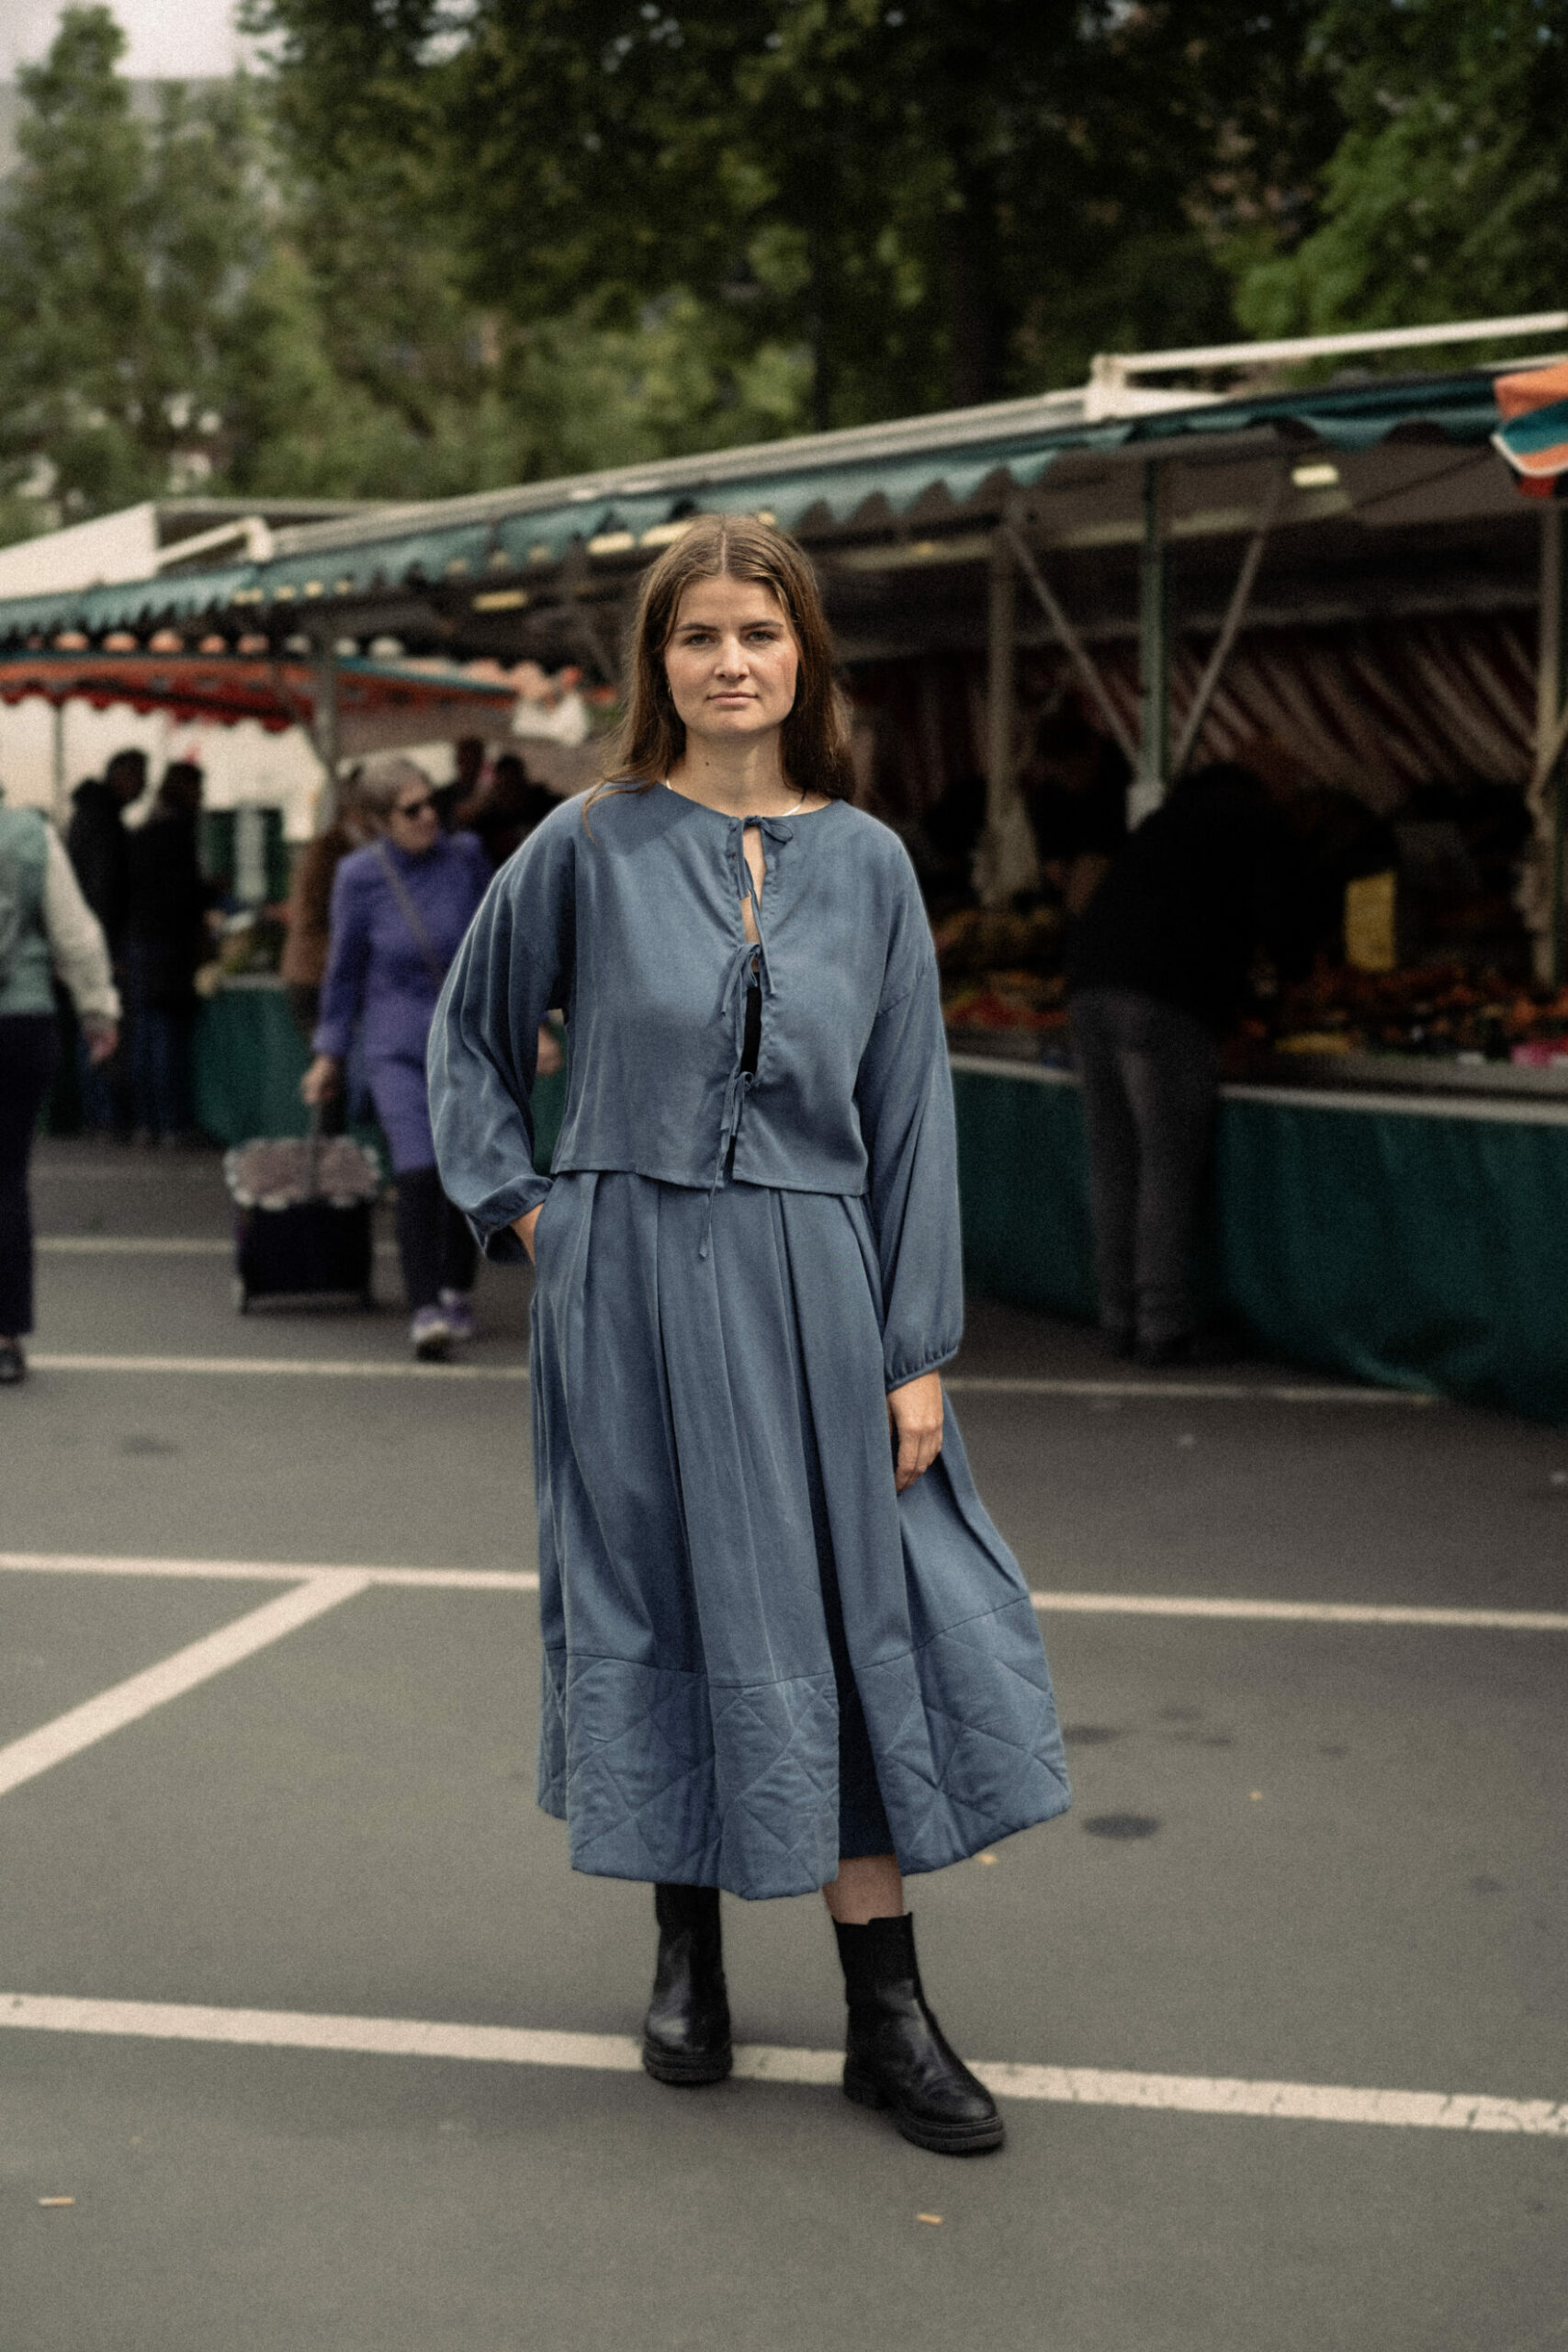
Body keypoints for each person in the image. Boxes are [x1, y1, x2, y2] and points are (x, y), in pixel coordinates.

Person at [428, 516, 1069, 2156]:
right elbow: (470, 1042)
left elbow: (911, 1114)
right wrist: (531, 1215)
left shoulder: (867, 864)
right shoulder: (584, 842)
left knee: (858, 1619)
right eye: (698, 634)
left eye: (758, 635)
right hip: (624, 1285)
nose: (729, 661)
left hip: (814, 1286)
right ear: (655, 664)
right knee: (656, 1596)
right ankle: (683, 1953)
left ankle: (888, 2010)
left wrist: (913, 1345)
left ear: (803, 661)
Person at [1065, 752, 1312, 1366]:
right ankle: (1162, 1323)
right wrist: (1292, 979)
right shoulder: (1257, 822)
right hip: (1165, 1000)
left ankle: (1118, 1314)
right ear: (1273, 780)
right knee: (1163, 1164)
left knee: (1113, 1160)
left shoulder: (1169, 819)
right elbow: (1285, 922)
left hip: (1089, 987)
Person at [301, 757, 494, 1360]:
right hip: (396, 1045)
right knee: (417, 1171)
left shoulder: (464, 858)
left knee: (466, 1173)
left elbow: (501, 944)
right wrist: (329, 1052)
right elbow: (345, 970)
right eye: (412, 809)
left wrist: (536, 1022)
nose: (428, 815)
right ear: (382, 820)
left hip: (465, 1040)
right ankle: (424, 1309)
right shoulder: (360, 876)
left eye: (431, 801)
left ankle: (455, 1285)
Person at [0, 789, 120, 1385]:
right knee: (7, 1180)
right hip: (21, 1020)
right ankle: (5, 1335)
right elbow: (76, 934)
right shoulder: (30, 835)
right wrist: (98, 1011)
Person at [280, 770, 373, 1134]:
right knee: (331, 1074)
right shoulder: (328, 852)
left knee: (339, 1075)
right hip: (316, 976)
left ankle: (334, 1163)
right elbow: (313, 918)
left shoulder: (360, 849)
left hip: (330, 974)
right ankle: (327, 1169)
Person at [122, 761, 209, 1144]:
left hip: (141, 939)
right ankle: (172, 1122)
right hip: (168, 944)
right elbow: (186, 894)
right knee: (165, 1037)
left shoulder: (144, 831)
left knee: (145, 1034)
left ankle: (146, 1121)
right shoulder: (180, 833)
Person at [65, 746, 145, 1134]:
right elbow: (101, 889)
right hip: (100, 943)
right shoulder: (102, 822)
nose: (144, 786)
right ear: (120, 775)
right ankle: (104, 1115)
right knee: (104, 1028)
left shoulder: (92, 816)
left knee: (97, 1026)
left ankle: (100, 1113)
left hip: (90, 941)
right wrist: (105, 947)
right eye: (138, 775)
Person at [1021, 696, 1128, 920]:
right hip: (1071, 900)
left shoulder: (1124, 775)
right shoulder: (1049, 796)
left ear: (1094, 749)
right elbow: (1053, 862)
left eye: (1073, 772)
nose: (1070, 783)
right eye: (1061, 775)